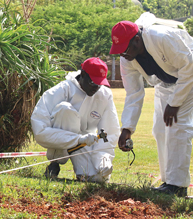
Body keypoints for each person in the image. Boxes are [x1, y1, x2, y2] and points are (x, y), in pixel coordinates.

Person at [109, 12, 193, 197]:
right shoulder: (127, 58)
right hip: (165, 84)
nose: (123, 54)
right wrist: (127, 128)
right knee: (159, 129)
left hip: (188, 79)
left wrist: (175, 103)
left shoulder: (163, 38)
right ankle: (168, 182)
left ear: (137, 40)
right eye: (120, 49)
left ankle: (177, 186)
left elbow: (189, 67)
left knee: (177, 127)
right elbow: (134, 93)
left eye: (125, 48)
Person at [31, 57, 120, 182]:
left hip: (86, 142)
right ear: (83, 74)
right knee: (64, 109)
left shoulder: (105, 95)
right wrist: (76, 139)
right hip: (61, 142)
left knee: (98, 178)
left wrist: (103, 159)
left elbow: (109, 132)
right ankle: (55, 163)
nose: (96, 88)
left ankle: (83, 171)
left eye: (99, 84)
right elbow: (40, 131)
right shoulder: (63, 89)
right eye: (93, 83)